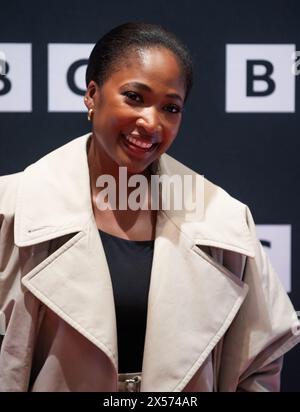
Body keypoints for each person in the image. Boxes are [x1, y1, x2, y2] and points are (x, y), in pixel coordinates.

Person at [0, 22, 299, 393]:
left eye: (170, 107)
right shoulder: (11, 209)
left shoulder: (225, 221)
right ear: (92, 94)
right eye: (134, 97)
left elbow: (259, 364)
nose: (151, 122)